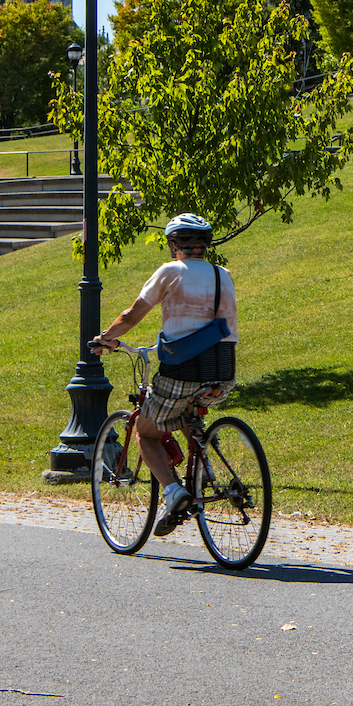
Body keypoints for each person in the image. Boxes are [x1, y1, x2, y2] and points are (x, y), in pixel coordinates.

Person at [90, 214, 238, 527]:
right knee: (187, 415)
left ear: (174, 244)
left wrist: (106, 339)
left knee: (146, 433)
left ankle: (173, 492)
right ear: (204, 245)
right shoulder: (223, 274)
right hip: (223, 373)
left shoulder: (171, 271)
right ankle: (206, 471)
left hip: (183, 371)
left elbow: (131, 315)